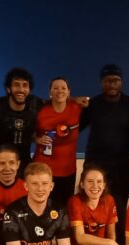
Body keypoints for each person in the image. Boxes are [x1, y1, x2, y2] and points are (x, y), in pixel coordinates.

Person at [80, 64, 129, 245]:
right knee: (92, 208)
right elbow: (74, 127)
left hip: (120, 168)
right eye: (107, 81)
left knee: (119, 211)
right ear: (101, 82)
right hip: (95, 166)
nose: (112, 84)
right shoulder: (93, 105)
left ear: (121, 82)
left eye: (116, 80)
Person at [34, 77, 83, 205]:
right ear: (50, 92)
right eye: (55, 88)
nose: (59, 91)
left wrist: (75, 99)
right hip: (44, 169)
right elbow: (28, 132)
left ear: (69, 92)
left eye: (63, 88)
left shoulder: (77, 108)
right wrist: (36, 139)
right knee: (44, 206)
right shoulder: (41, 111)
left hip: (68, 169)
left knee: (65, 208)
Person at [0, 67, 44, 178]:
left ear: (29, 90)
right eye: (16, 85)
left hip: (24, 166)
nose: (21, 89)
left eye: (25, 85)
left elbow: (57, 101)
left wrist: (74, 100)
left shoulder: (35, 104)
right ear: (8, 89)